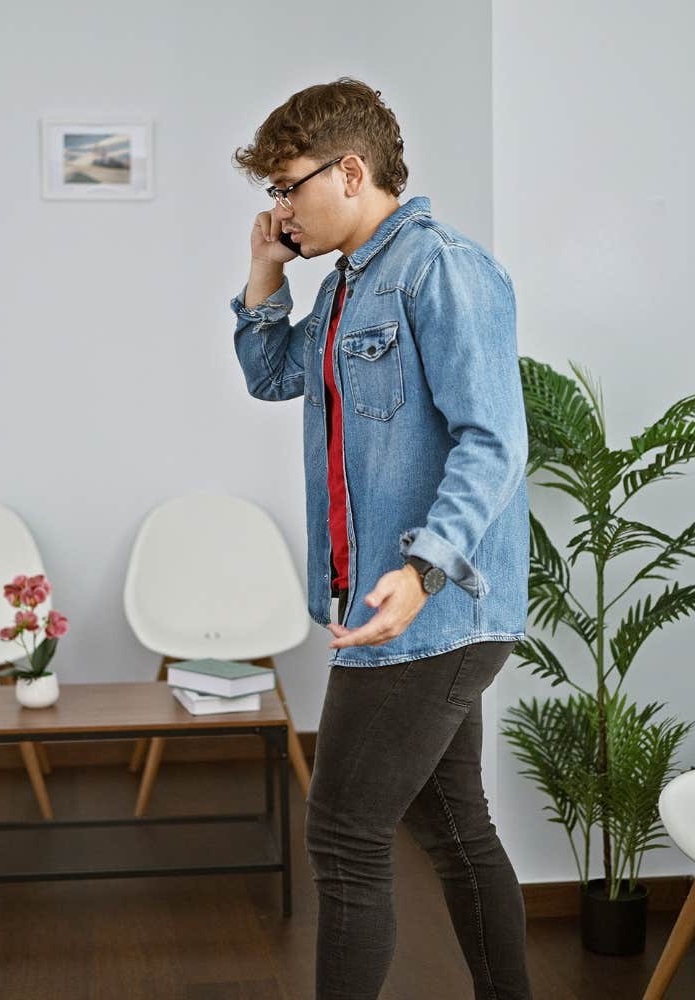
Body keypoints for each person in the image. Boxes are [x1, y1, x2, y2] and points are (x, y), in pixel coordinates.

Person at [230, 77, 532, 1000]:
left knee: (345, 835)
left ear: (350, 171)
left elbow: (495, 440)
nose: (281, 209)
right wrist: (264, 277)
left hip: (430, 606)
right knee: (454, 827)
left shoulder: (441, 267)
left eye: (289, 188)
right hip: (391, 605)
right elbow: (274, 375)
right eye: (272, 195)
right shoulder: (351, 281)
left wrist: (421, 568)